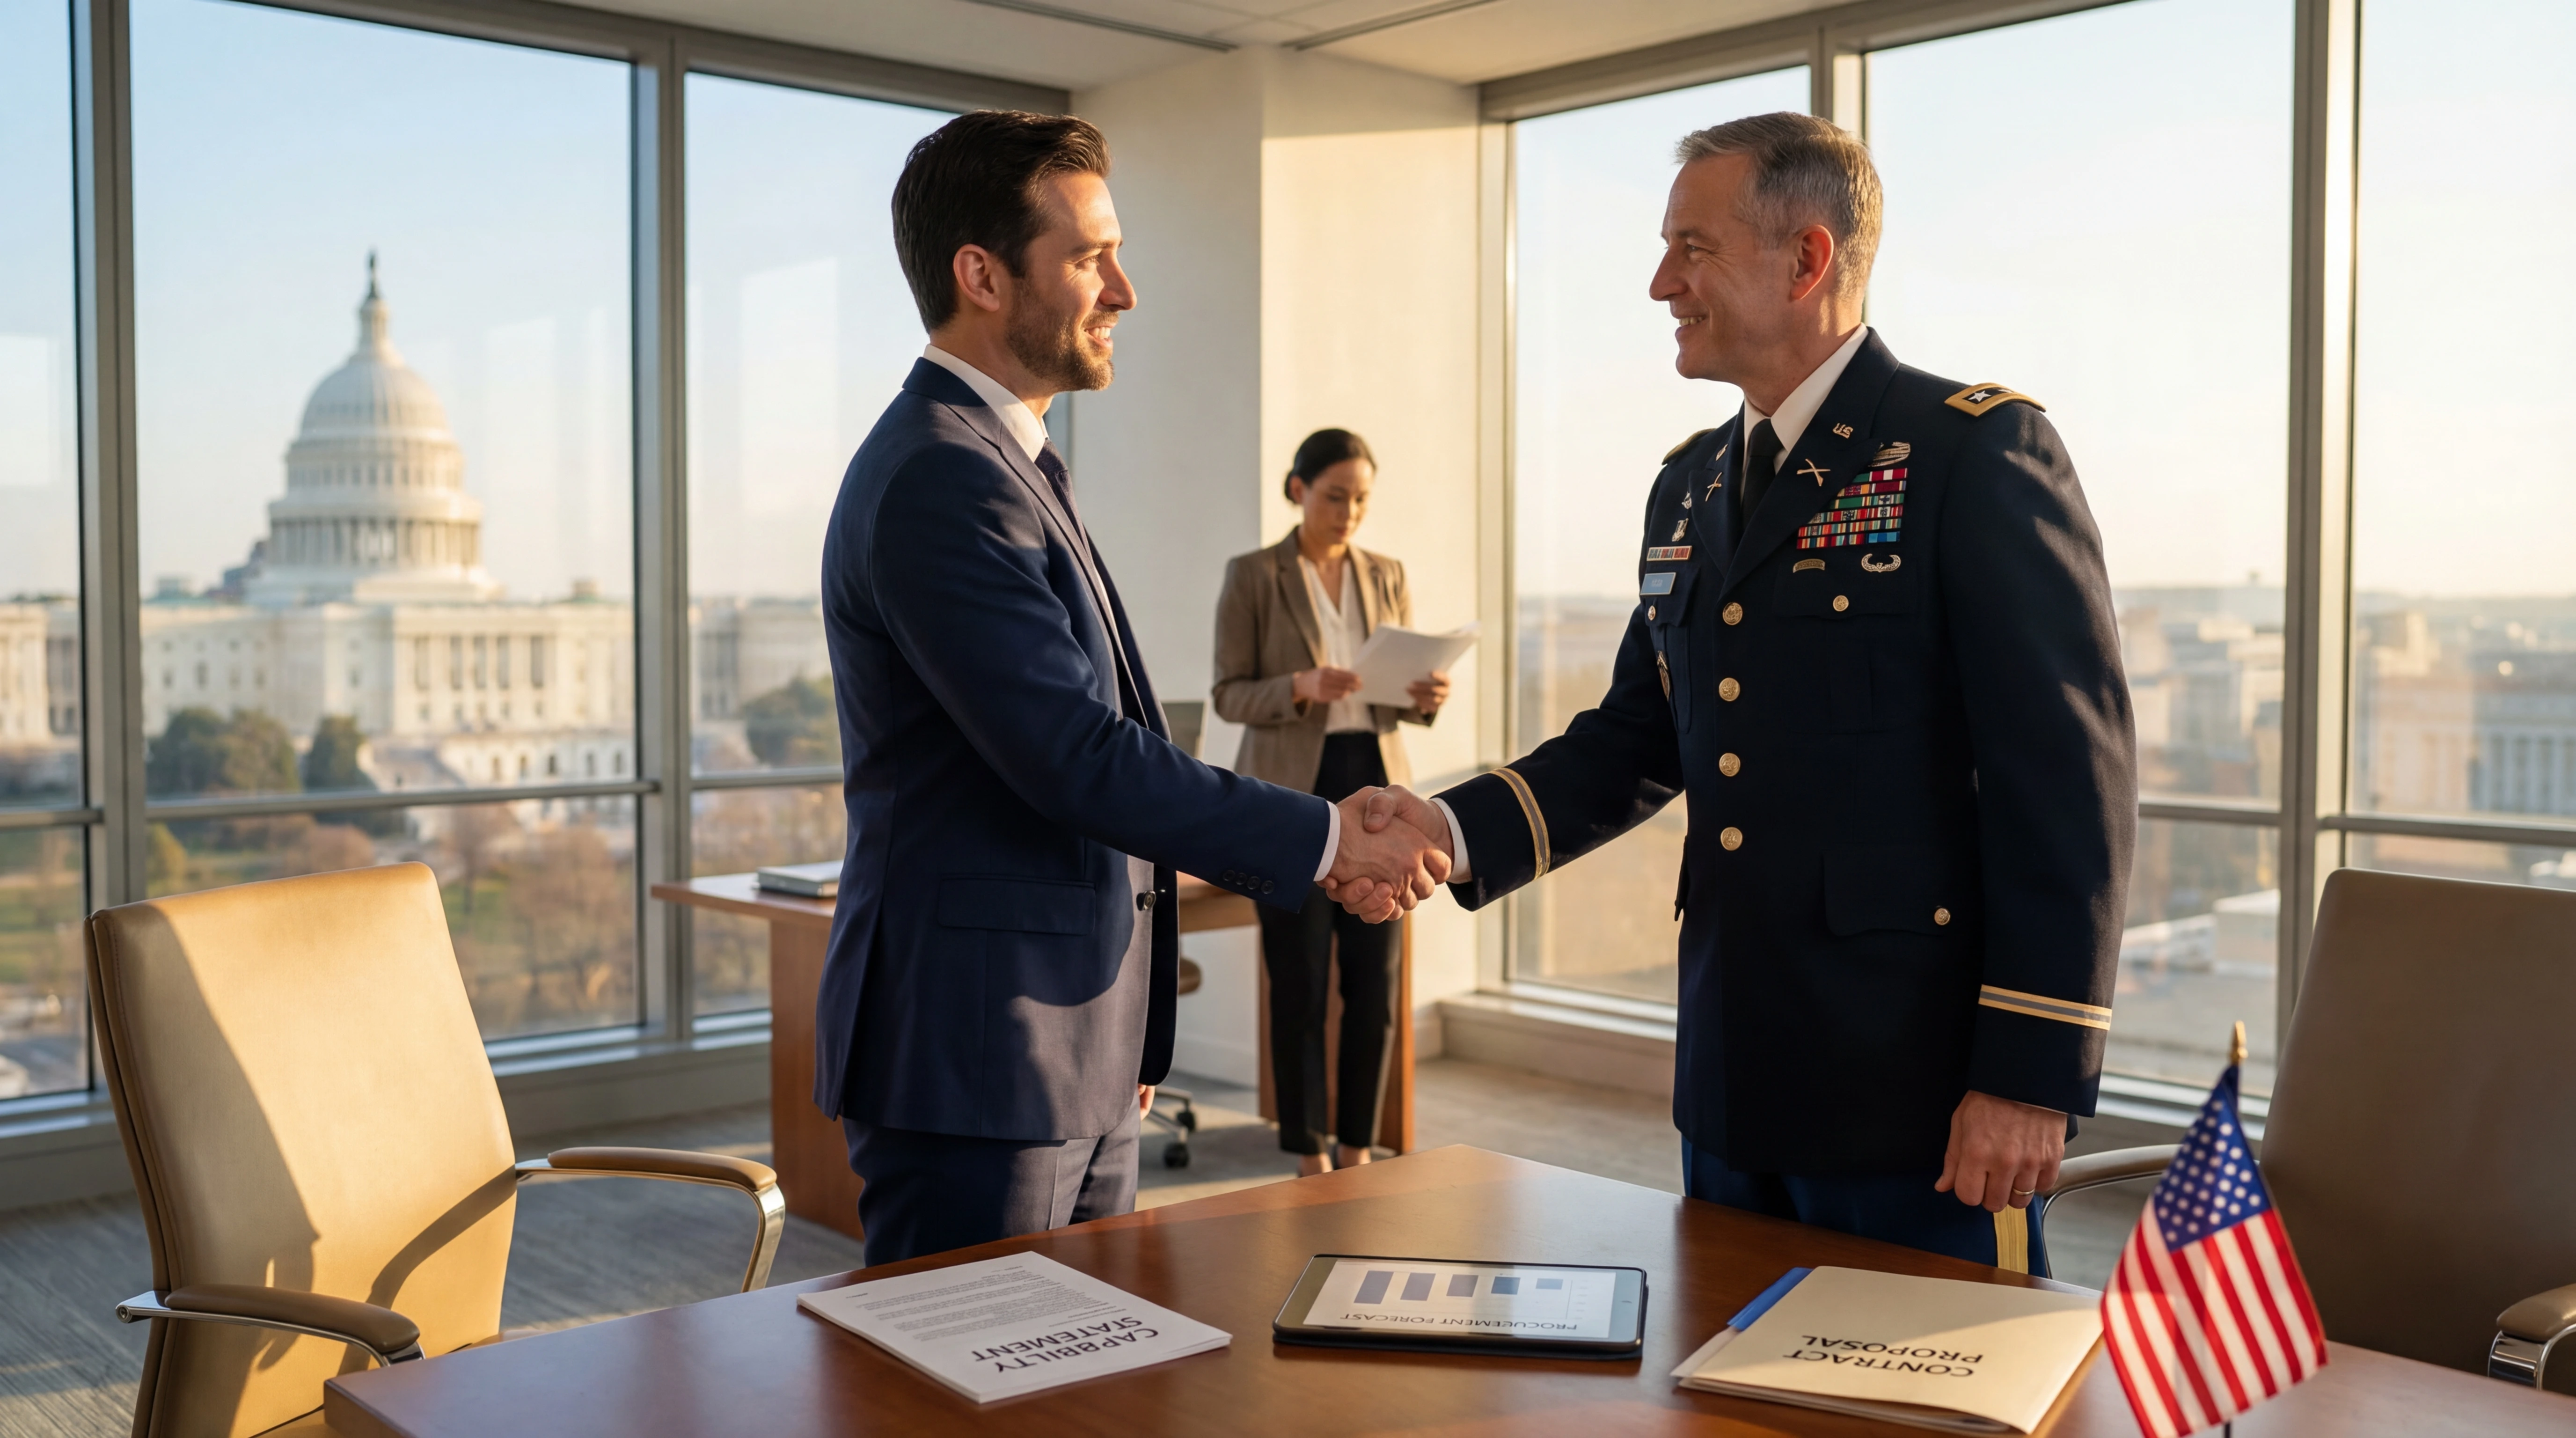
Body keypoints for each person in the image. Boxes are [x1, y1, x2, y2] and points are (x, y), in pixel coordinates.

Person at [1347, 112, 2134, 1269]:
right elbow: (1637, 737)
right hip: (1731, 1071)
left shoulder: (1970, 454)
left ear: (1805, 260)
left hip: (1912, 1096)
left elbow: (2068, 785)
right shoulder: (1690, 485)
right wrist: (1450, 829)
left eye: (1693, 248)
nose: (1662, 281)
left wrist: (2027, 1078)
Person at [814, 110, 1448, 1266]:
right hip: (984, 1053)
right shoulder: (944, 479)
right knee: (969, 1391)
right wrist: (1321, 838)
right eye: (1090, 256)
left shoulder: (1006, 461)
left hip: (1067, 1045)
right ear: (983, 276)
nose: (1125, 291)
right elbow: (1073, 755)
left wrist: (1124, 1043)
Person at [1213, 428, 1450, 1177]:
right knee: (1301, 978)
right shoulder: (1253, 575)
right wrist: (1299, 688)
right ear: (1298, 491)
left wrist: (1427, 697)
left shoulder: (1387, 573)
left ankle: (1357, 1147)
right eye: (1335, 496)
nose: (1349, 512)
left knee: (1374, 980)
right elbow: (1227, 694)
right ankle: (1309, 1150)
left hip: (1375, 784)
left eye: (1361, 500)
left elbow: (1404, 694)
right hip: (1289, 792)